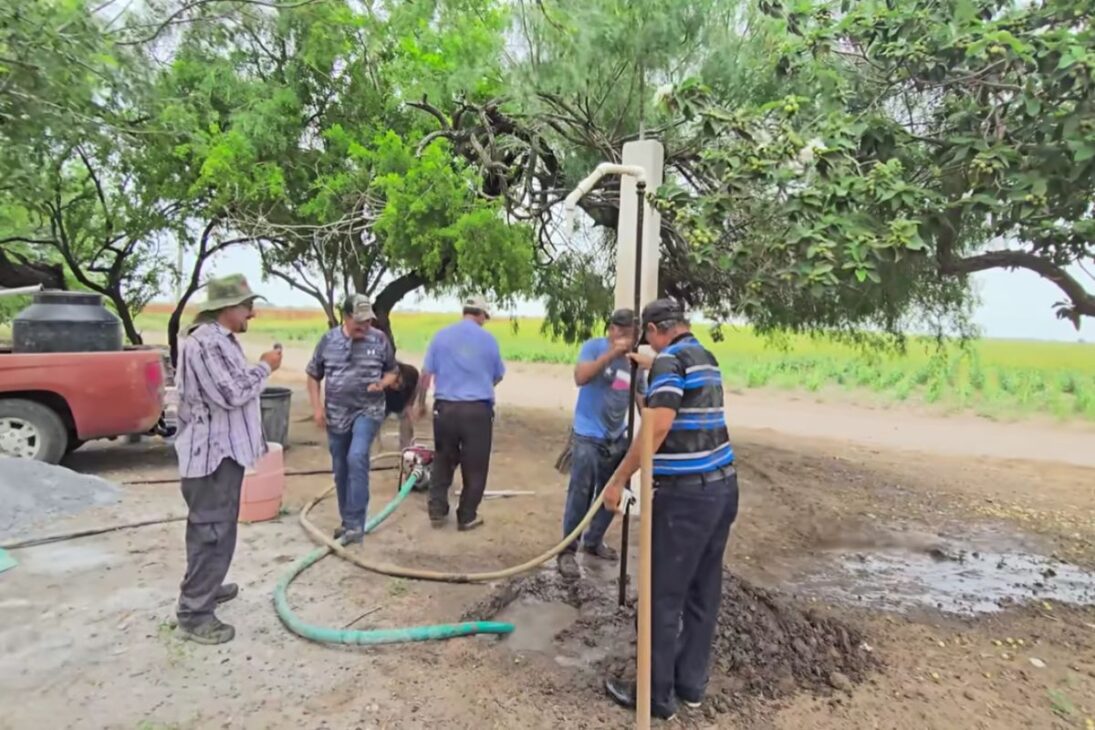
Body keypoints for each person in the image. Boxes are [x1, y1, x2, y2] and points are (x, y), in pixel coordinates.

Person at [601, 298, 739, 721]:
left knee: (661, 598)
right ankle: (690, 686)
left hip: (685, 498)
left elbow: (656, 427)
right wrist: (651, 369)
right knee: (702, 593)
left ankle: (656, 697)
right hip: (722, 489)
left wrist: (618, 479)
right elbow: (672, 403)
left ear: (654, 331)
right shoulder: (704, 357)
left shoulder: (668, 363)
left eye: (647, 337)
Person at [174, 274, 283, 645]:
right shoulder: (206, 343)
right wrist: (266, 366)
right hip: (211, 457)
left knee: (215, 528)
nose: (252, 313)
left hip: (222, 454)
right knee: (212, 532)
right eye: (247, 306)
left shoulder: (221, 341)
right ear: (228, 308)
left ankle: (208, 585)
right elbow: (233, 393)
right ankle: (195, 614)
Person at [556, 308, 642, 580]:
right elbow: (580, 377)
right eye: (619, 330)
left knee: (615, 491)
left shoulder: (635, 362)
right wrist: (611, 355)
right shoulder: (594, 348)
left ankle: (593, 541)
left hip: (616, 436)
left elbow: (641, 398)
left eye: (630, 333)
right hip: (587, 434)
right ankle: (567, 551)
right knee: (580, 493)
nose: (623, 337)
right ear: (611, 329)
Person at [306, 295, 399, 543]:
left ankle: (356, 524)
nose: (365, 326)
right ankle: (347, 521)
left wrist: (382, 384)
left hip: (369, 410)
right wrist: (317, 408)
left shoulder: (379, 339)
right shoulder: (328, 341)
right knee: (341, 467)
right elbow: (313, 375)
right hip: (336, 415)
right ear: (345, 317)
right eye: (359, 321)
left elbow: (392, 371)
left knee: (357, 457)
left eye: (368, 321)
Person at [415, 296, 505, 531]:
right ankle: (466, 516)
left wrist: (421, 403)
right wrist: (480, 387)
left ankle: (437, 510)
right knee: (475, 466)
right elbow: (498, 375)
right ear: (481, 315)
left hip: (445, 409)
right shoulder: (489, 340)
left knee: (443, 459)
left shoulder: (441, 336)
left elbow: (426, 374)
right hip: (477, 411)